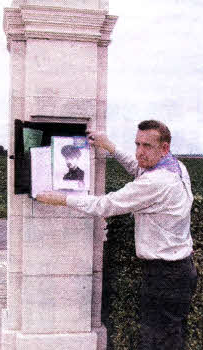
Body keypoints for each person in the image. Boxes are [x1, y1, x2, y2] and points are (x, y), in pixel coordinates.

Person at [36, 120, 198, 350]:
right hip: (180, 271)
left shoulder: (157, 182)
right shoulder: (176, 166)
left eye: (147, 146)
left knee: (159, 342)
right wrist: (110, 147)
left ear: (164, 148)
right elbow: (138, 168)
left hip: (166, 276)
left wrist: (61, 198)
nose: (140, 151)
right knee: (171, 338)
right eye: (137, 144)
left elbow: (106, 205)